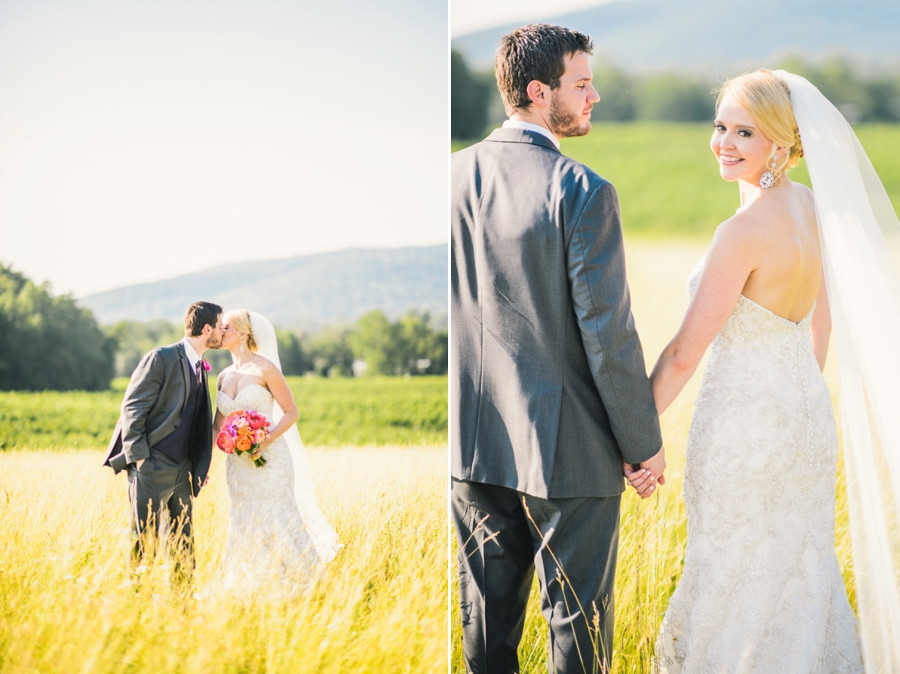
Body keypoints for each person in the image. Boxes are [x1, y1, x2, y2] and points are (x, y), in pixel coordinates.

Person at [450, 24, 665, 673]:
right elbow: (609, 333)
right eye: (581, 83)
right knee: (577, 630)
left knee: (485, 635)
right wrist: (642, 442)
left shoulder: (450, 178)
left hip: (473, 447)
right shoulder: (582, 190)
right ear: (540, 93)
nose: (594, 95)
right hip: (569, 451)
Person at [647, 70, 872, 672]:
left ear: (781, 142)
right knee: (799, 565)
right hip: (804, 422)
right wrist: (793, 397)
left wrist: (635, 433)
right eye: (720, 125)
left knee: (732, 568)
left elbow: (682, 354)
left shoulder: (741, 233)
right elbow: (818, 332)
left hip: (743, 430)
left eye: (744, 131)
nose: (724, 141)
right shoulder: (815, 210)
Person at [214, 309, 340, 594]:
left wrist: (263, 439)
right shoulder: (222, 376)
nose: (220, 333)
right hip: (237, 464)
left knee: (277, 514)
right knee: (243, 515)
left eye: (226, 328)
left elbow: (291, 412)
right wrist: (208, 459)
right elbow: (217, 427)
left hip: (270, 458)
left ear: (243, 334)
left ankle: (297, 584)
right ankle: (249, 585)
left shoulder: (265, 369)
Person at [104, 301, 223, 583]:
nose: (222, 330)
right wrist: (141, 458)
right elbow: (132, 407)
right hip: (152, 465)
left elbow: (194, 421)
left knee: (184, 543)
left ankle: (183, 608)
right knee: (144, 542)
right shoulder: (162, 357)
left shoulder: (200, 367)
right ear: (207, 329)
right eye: (219, 326)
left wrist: (197, 466)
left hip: (183, 470)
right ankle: (138, 605)